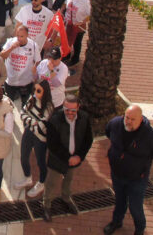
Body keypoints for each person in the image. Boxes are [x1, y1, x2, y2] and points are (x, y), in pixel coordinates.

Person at [103, 105, 153, 235]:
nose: (128, 121)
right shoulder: (116, 124)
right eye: (127, 117)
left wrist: (145, 160)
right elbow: (108, 131)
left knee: (135, 207)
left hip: (137, 179)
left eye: (133, 119)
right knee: (119, 201)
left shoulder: (151, 136)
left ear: (141, 120)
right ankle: (116, 222)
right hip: (117, 174)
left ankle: (139, 229)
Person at [41, 94, 93, 222]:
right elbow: (52, 144)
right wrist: (67, 157)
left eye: (73, 110)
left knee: (68, 180)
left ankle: (66, 199)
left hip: (74, 159)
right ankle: (46, 205)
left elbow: (88, 139)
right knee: (51, 183)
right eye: (66, 110)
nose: (69, 113)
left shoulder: (84, 118)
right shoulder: (54, 119)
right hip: (57, 159)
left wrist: (79, 156)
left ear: (78, 108)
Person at [15, 79, 54, 198]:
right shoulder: (32, 99)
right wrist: (33, 122)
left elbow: (41, 125)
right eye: (35, 90)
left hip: (40, 138)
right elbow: (22, 113)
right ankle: (28, 178)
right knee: (23, 156)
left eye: (38, 91)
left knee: (40, 162)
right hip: (29, 132)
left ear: (45, 92)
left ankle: (41, 183)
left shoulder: (48, 107)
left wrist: (29, 121)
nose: (35, 93)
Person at [0, 25, 41, 105]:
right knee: (8, 104)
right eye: (18, 35)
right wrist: (11, 48)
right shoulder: (10, 42)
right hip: (10, 81)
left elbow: (38, 60)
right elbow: (2, 56)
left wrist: (35, 68)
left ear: (27, 35)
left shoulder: (33, 45)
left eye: (22, 36)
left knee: (25, 104)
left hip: (26, 82)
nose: (19, 38)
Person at [62, 0, 91, 68]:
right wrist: (61, 11)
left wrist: (82, 22)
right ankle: (66, 56)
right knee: (67, 40)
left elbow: (90, 15)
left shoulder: (86, 1)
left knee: (76, 43)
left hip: (78, 26)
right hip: (68, 23)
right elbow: (65, 4)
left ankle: (75, 59)